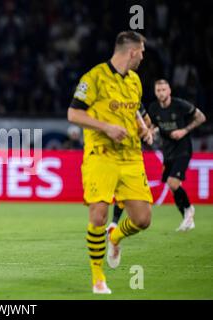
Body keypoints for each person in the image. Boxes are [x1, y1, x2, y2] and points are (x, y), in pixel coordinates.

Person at [68, 31, 154, 294]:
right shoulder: (94, 78)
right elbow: (73, 113)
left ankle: (115, 236)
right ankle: (98, 277)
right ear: (131, 51)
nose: (142, 56)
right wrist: (105, 127)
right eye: (141, 51)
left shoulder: (135, 81)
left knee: (142, 219)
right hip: (101, 155)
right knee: (98, 214)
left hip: (131, 157)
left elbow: (137, 110)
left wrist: (144, 128)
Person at [108, 80, 206, 232]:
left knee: (173, 183)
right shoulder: (153, 108)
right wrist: (150, 132)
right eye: (158, 90)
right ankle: (187, 218)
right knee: (172, 186)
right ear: (155, 92)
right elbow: (151, 126)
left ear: (169, 91)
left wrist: (185, 131)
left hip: (183, 149)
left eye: (164, 89)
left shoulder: (179, 105)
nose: (161, 92)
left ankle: (189, 210)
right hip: (167, 151)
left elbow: (201, 117)